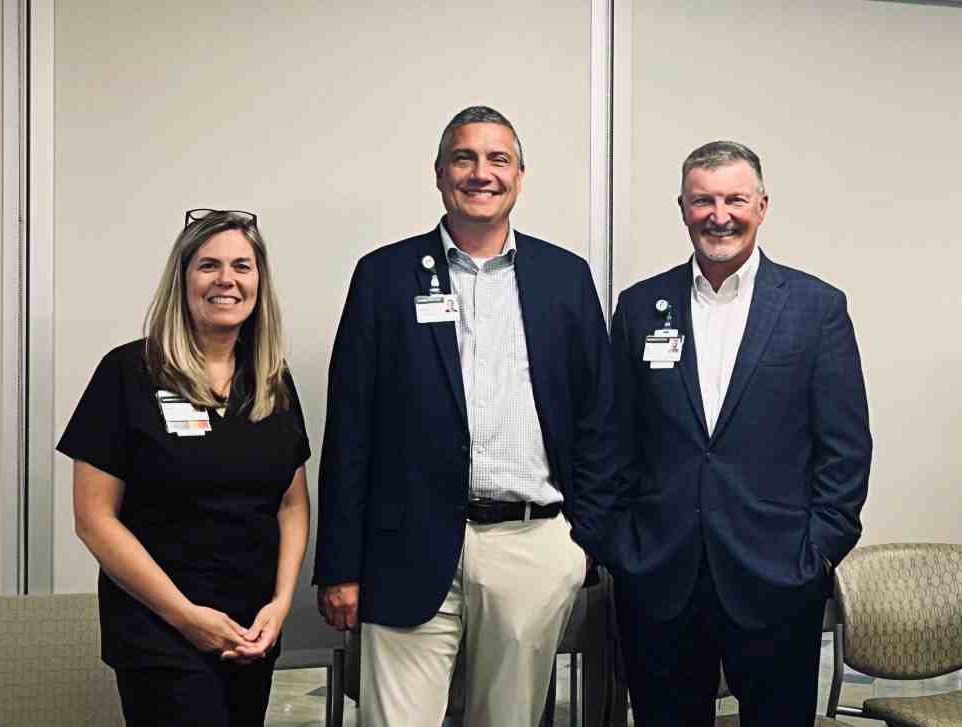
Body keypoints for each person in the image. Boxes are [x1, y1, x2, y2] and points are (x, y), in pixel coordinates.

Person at [313, 106, 616, 726]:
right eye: (465, 158)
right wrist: (340, 565)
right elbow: (350, 429)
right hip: (405, 546)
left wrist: (584, 542)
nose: (481, 173)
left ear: (521, 176)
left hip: (531, 547)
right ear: (440, 174)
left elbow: (599, 420)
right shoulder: (383, 277)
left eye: (497, 159)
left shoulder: (566, 278)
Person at [606, 141, 872, 726]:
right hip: (660, 577)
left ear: (762, 205)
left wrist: (816, 553)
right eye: (703, 200)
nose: (718, 214)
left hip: (777, 576)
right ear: (682, 208)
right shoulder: (640, 307)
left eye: (734, 199)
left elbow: (845, 450)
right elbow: (613, 439)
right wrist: (618, 546)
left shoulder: (816, 308)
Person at [58, 209, 311, 727]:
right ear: (182, 279)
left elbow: (292, 503)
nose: (226, 280)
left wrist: (281, 602)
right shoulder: (128, 372)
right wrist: (187, 617)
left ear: (259, 281)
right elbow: (94, 519)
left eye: (242, 266)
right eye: (208, 265)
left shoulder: (270, 381)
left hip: (251, 632)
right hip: (160, 633)